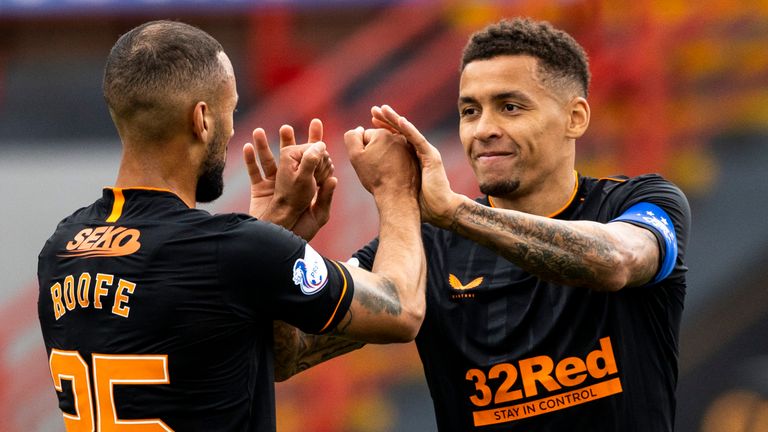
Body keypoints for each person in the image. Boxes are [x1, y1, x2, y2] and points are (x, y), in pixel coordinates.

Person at [273, 17, 691, 431]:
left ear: (575, 117)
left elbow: (615, 261)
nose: (484, 129)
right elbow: (287, 357)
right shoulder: (423, 248)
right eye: (470, 111)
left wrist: (455, 213)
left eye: (510, 107)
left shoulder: (640, 202)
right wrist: (277, 242)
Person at [37, 20, 426, 431]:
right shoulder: (233, 252)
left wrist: (276, 229)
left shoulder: (60, 250)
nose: (230, 130)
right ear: (201, 119)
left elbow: (225, 338)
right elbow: (402, 310)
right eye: (231, 110)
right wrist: (395, 187)